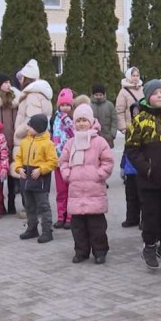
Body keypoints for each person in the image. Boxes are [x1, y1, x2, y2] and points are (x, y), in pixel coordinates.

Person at [125, 80, 161, 269]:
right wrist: (145, 167)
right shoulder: (140, 119)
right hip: (149, 178)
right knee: (151, 213)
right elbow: (132, 148)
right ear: (148, 97)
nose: (159, 96)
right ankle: (149, 246)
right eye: (155, 93)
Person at [60, 104, 115, 264]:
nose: (81, 124)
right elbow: (63, 161)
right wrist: (67, 174)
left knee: (96, 227)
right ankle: (81, 251)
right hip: (76, 192)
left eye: (84, 120)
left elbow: (108, 161)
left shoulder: (99, 142)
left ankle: (100, 251)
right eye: (78, 121)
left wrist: (100, 174)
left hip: (94, 191)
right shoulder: (71, 143)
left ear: (91, 122)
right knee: (78, 228)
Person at [13, 114, 58, 244]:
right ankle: (32, 228)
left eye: (30, 126)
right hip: (25, 180)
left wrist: (41, 169)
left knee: (43, 206)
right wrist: (18, 168)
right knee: (29, 206)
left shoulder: (47, 144)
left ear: (38, 128)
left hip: (40, 181)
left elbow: (53, 161)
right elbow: (19, 158)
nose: (28, 128)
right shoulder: (25, 141)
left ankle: (47, 231)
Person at [0, 72, 23, 215]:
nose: (9, 85)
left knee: (12, 174)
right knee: (0, 175)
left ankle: (11, 203)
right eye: (5, 82)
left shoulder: (15, 101)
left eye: (10, 82)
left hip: (14, 142)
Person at [51, 88, 75, 228]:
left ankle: (70, 218)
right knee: (61, 191)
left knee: (70, 190)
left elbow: (74, 133)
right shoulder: (54, 118)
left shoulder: (72, 119)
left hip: (70, 161)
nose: (65, 108)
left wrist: (68, 121)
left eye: (68, 105)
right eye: (62, 105)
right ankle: (61, 216)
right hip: (57, 160)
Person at [120, 100, 141, 228]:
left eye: (138, 112)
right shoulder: (130, 128)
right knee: (130, 196)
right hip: (129, 168)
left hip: (140, 168)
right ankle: (132, 218)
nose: (136, 114)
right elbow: (125, 149)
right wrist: (122, 166)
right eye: (134, 112)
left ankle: (144, 220)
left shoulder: (146, 128)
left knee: (142, 197)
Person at [116, 67, 143, 132]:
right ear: (128, 76)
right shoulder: (123, 92)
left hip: (143, 125)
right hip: (130, 126)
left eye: (137, 76)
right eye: (133, 76)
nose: (136, 78)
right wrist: (123, 127)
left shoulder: (142, 89)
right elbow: (120, 111)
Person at [90, 83, 117, 148]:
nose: (98, 97)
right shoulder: (89, 105)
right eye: (96, 95)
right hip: (93, 137)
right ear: (93, 95)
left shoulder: (109, 105)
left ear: (104, 94)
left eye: (100, 95)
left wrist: (112, 134)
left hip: (107, 137)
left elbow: (114, 120)